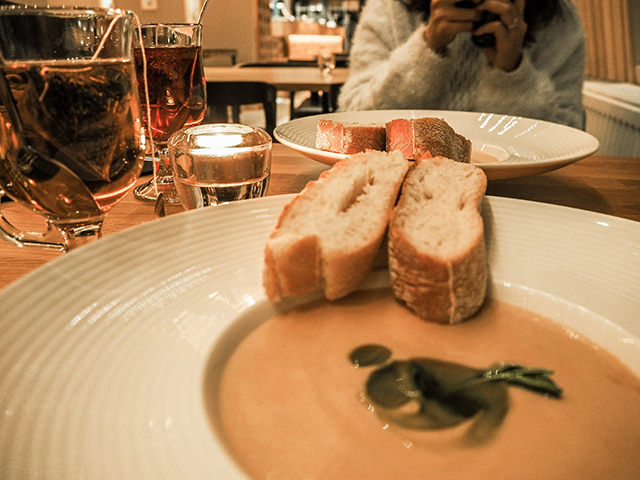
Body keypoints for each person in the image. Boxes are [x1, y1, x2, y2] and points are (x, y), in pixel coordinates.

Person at [338, 0, 586, 129]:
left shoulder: (559, 21)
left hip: (522, 189)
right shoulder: (391, 7)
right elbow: (353, 116)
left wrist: (511, 71)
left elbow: (568, 136)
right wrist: (428, 45)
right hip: (399, 175)